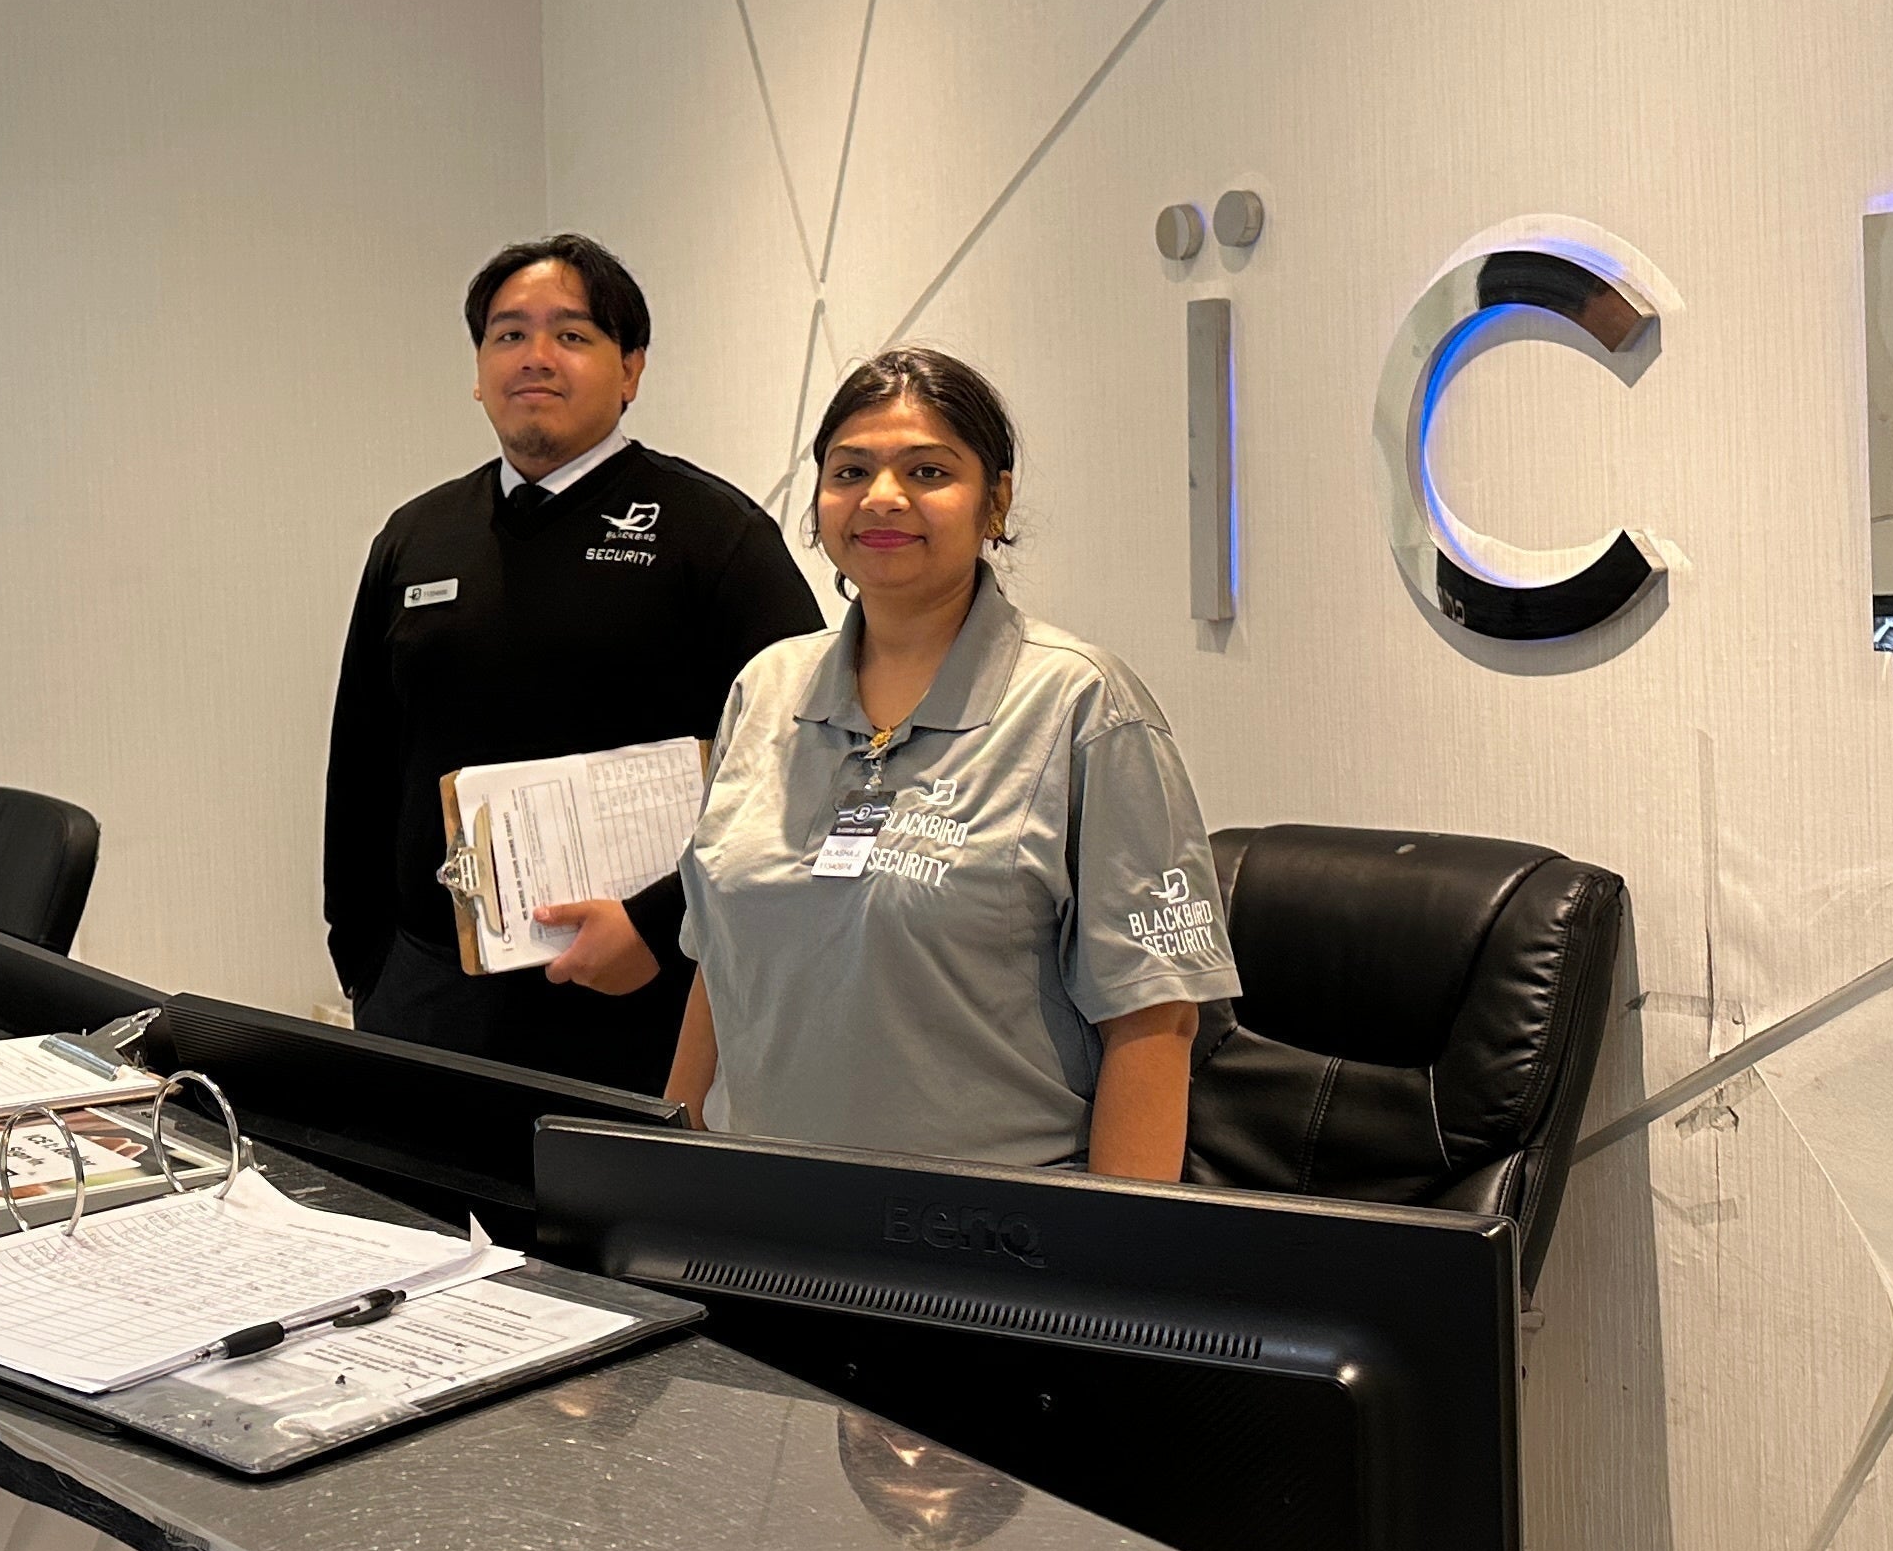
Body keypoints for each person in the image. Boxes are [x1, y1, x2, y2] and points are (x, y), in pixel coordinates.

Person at [668, 348, 1237, 1175]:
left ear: (994, 502)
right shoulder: (766, 688)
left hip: (985, 1246)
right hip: (758, 1220)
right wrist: (666, 1173)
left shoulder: (1083, 707)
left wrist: (1116, 1279)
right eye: (850, 470)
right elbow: (722, 973)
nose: (882, 497)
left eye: (928, 470)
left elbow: (1154, 1022)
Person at [323, 235, 823, 1094]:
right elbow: (363, 758)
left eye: (573, 335)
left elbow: (803, 765)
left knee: (606, 1230)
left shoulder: (713, 535)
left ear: (631, 369)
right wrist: (365, 959)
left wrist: (664, 930)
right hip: (428, 997)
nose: (535, 359)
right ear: (479, 372)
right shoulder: (417, 536)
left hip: (638, 996)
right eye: (508, 335)